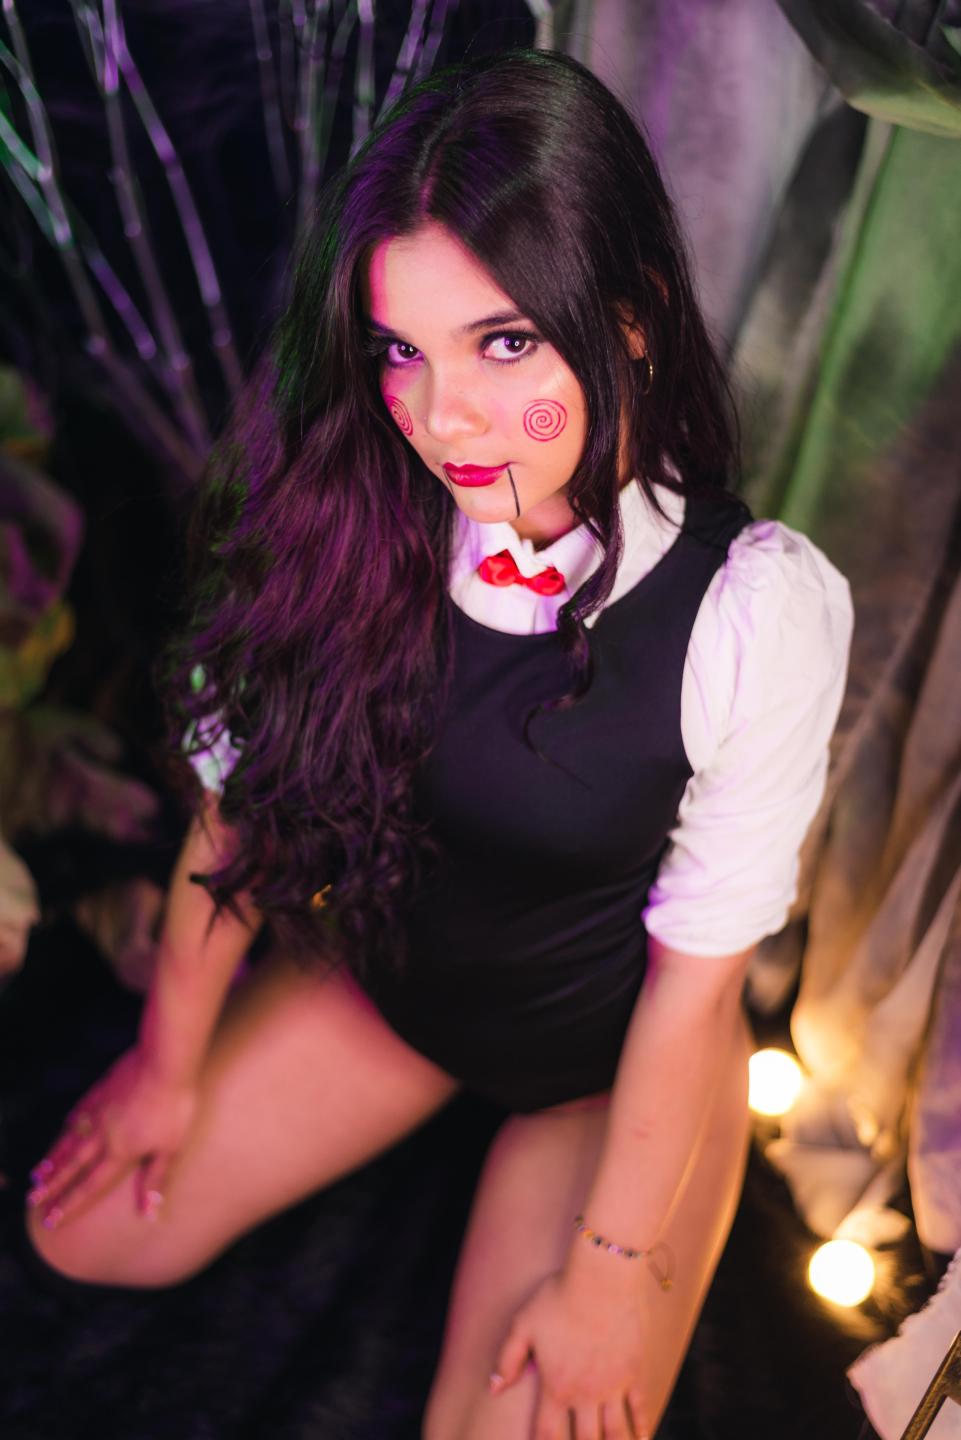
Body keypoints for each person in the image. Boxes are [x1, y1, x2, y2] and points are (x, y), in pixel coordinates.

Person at [20, 47, 854, 1440]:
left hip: (607, 1063)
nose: (441, 415)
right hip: (394, 990)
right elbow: (236, 813)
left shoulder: (755, 611)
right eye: (401, 349)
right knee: (86, 1235)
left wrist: (608, 1272)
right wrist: (167, 1063)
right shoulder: (347, 508)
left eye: (502, 342)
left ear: (633, 318)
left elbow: (693, 987)